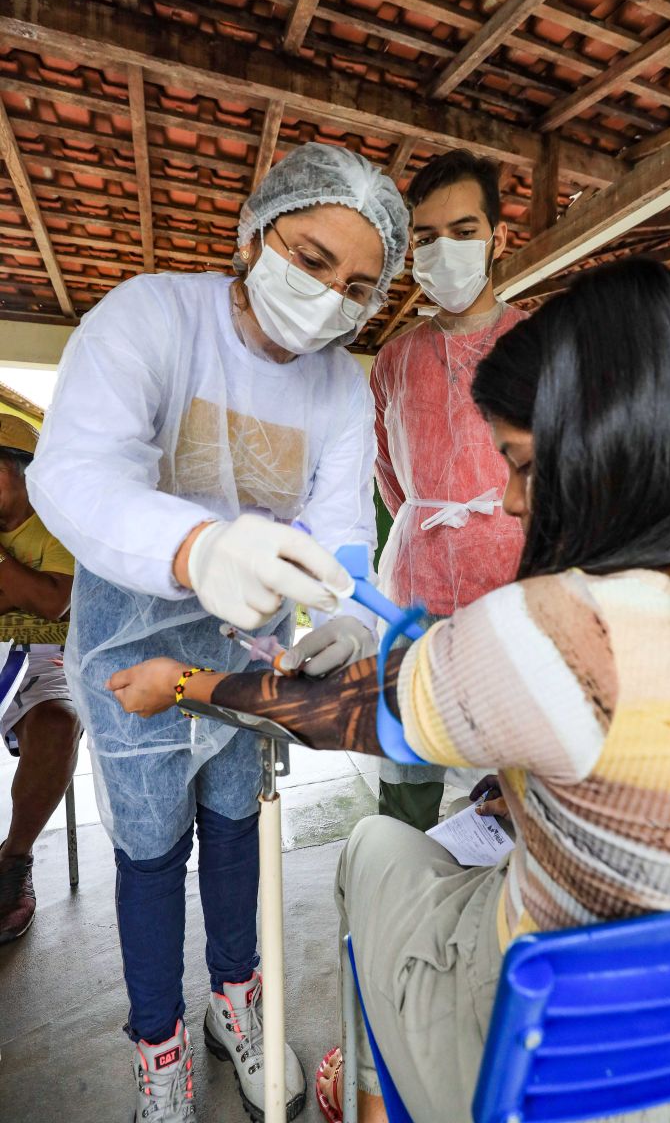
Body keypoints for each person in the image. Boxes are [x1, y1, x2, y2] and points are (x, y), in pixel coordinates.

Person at [113, 259, 670, 1123]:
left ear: (615, 445)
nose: (510, 501)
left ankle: (366, 1099)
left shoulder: (564, 629)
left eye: (521, 463)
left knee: (375, 846)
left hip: (553, 1079)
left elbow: (335, 713)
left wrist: (182, 682)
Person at [27, 142, 409, 1123]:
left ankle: (236, 1002)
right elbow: (70, 477)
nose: (329, 298)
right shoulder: (151, 318)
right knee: (150, 858)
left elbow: (333, 530)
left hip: (248, 661)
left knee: (239, 833)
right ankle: (157, 1047)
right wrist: (198, 546)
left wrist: (339, 618)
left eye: (358, 287)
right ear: (255, 232)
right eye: (312, 259)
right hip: (130, 653)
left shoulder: (336, 387)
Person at [370, 150, 526, 831]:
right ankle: (403, 879)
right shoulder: (395, 360)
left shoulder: (541, 342)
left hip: (522, 585)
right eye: (427, 239)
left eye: (464, 231)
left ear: (499, 237)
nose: (446, 251)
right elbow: (390, 479)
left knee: (523, 759)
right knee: (408, 758)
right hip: (417, 587)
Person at [0, 414, 79, 944]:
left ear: (20, 471)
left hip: (46, 654)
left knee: (58, 722)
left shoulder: (58, 524)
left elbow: (55, 601)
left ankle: (13, 859)